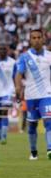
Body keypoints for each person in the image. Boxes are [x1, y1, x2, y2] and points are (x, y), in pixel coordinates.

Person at [15, 28, 51, 160]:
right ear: (30, 40)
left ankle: (50, 149)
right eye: (33, 38)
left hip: (47, 95)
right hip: (30, 96)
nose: (36, 40)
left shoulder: (49, 56)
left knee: (49, 122)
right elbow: (19, 74)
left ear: (43, 39)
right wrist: (18, 89)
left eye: (38, 37)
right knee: (32, 126)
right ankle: (34, 152)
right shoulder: (25, 57)